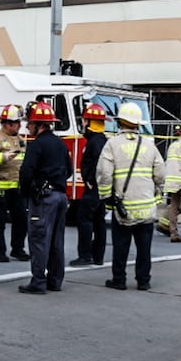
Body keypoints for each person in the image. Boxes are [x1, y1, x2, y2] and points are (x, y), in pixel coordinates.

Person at [97, 101, 166, 291]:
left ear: (120, 122)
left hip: (124, 207)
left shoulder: (112, 144)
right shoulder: (149, 145)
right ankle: (143, 280)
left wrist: (106, 197)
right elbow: (160, 172)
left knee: (121, 245)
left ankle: (119, 280)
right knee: (144, 248)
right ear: (138, 124)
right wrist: (157, 191)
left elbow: (104, 173)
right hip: (146, 206)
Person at [17, 100, 72, 295]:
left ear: (39, 125)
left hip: (43, 199)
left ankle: (38, 282)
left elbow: (26, 172)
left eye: (30, 123)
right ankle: (55, 281)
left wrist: (25, 193)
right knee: (57, 240)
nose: (27, 126)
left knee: (39, 238)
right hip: (60, 196)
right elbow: (69, 170)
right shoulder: (60, 143)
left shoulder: (36, 145)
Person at [0, 104, 29, 263]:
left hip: (17, 188)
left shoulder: (21, 140)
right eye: (17, 123)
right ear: (7, 123)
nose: (20, 125)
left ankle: (18, 249)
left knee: (21, 220)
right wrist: (2, 157)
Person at [73, 103, 110, 266]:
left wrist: (90, 181)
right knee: (99, 221)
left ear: (89, 122)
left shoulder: (94, 142)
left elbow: (96, 165)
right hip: (102, 188)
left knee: (85, 220)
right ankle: (98, 256)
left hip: (93, 189)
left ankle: (85, 255)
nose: (82, 124)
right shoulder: (103, 140)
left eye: (84, 121)